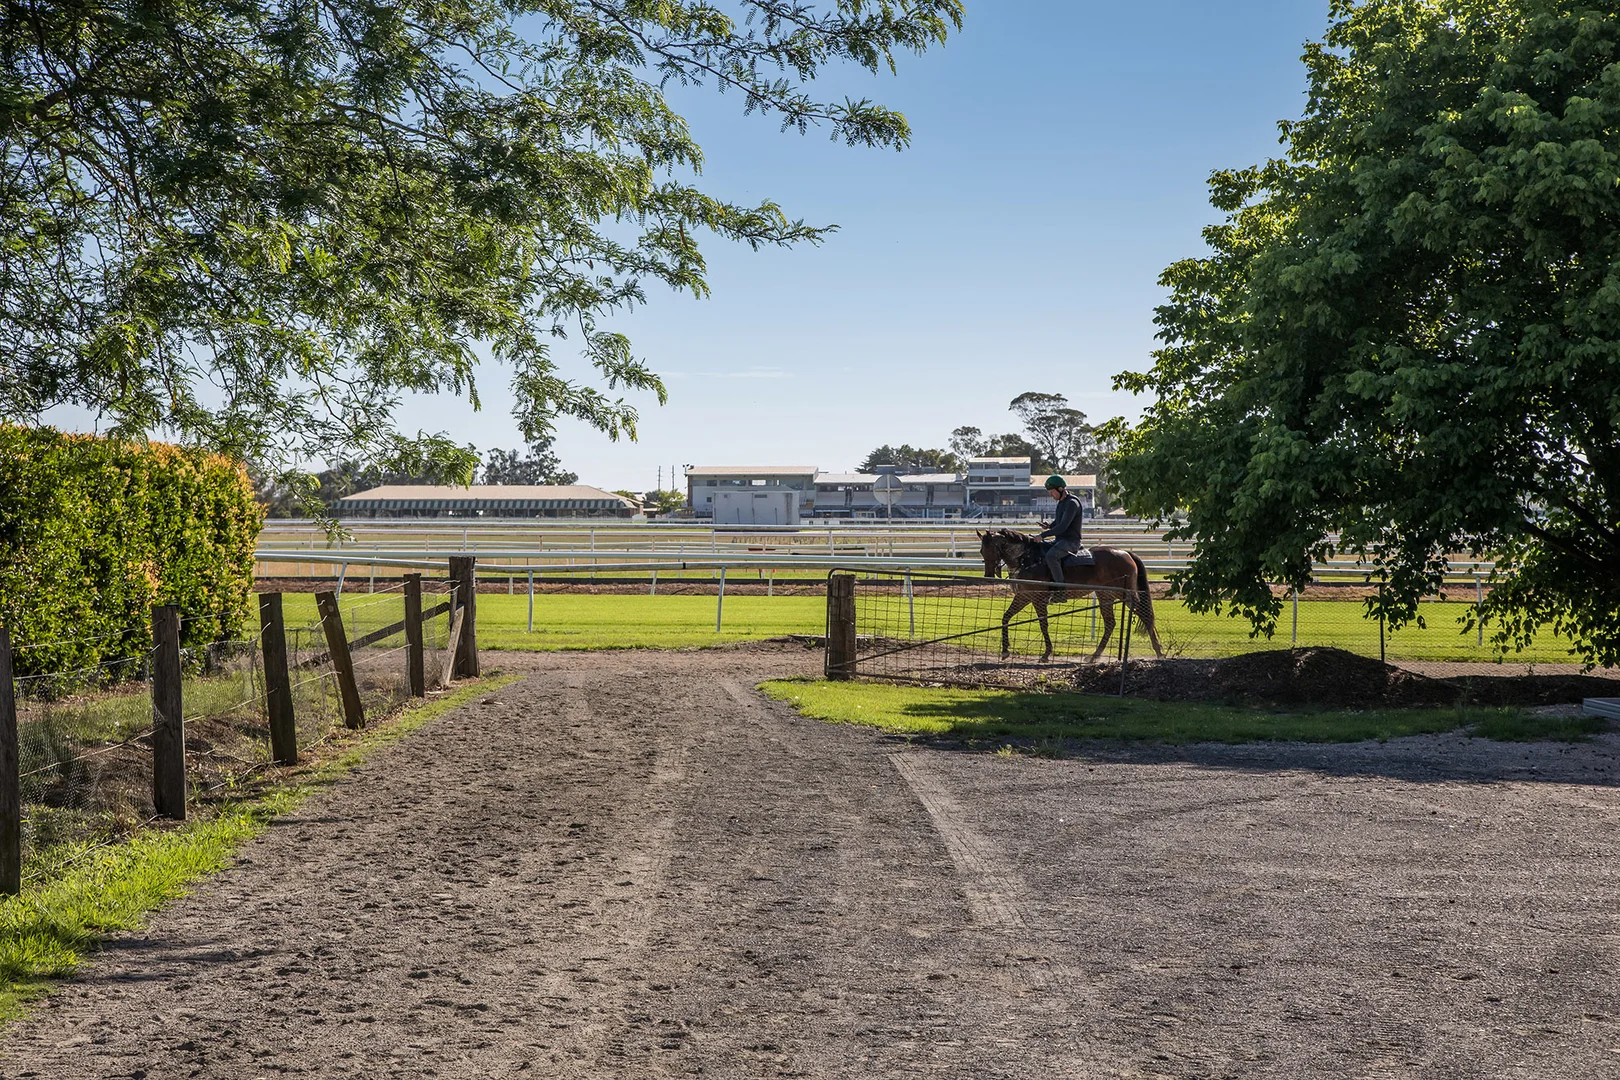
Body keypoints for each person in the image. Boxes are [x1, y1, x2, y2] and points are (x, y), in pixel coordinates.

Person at [1037, 475, 1083, 585]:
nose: (1051, 495)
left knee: (1051, 556)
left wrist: (1043, 535)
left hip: (1071, 542)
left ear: (1060, 489)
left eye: (1052, 492)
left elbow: (1063, 527)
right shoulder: (1061, 503)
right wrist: (1049, 525)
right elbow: (1059, 522)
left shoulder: (1072, 503)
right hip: (1061, 541)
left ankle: (1060, 589)